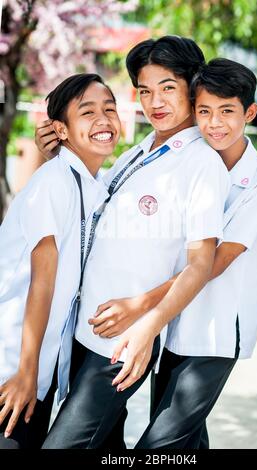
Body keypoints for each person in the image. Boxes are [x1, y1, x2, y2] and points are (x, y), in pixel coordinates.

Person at [40, 36, 230, 449]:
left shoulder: (201, 163)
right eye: (145, 90)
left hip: (119, 345)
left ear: (192, 87)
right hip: (82, 333)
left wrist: (148, 324)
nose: (154, 101)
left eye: (167, 87)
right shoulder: (139, 151)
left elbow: (201, 263)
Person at [104, 58, 257, 449]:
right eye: (204, 111)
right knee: (185, 441)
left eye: (227, 112)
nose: (214, 123)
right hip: (176, 327)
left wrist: (142, 308)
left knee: (162, 444)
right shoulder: (189, 161)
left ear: (249, 112)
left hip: (216, 334)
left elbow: (214, 263)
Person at [0, 73, 121, 448]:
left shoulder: (88, 183)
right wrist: (26, 373)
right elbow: (43, 281)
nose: (104, 120)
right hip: (12, 365)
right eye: (87, 112)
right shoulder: (53, 183)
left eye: (110, 109)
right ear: (61, 130)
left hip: (40, 366)